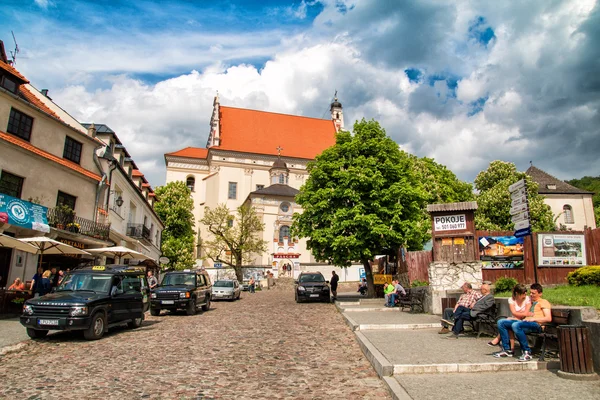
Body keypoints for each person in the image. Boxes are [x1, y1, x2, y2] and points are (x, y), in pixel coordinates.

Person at [494, 283, 552, 362]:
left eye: (533, 293)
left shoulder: (543, 302)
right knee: (501, 322)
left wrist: (534, 319)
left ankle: (527, 352)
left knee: (516, 325)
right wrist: (515, 318)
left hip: (537, 325)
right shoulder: (529, 301)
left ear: (540, 293)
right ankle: (507, 350)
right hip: (525, 323)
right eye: (530, 293)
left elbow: (548, 318)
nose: (531, 295)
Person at [488, 284, 530, 349]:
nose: (525, 294)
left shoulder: (527, 299)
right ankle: (509, 348)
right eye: (523, 293)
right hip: (516, 319)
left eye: (525, 292)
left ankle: (502, 342)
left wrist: (518, 315)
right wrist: (520, 314)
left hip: (524, 320)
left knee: (505, 323)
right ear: (517, 293)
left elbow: (526, 313)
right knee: (506, 324)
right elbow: (514, 312)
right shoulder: (511, 300)